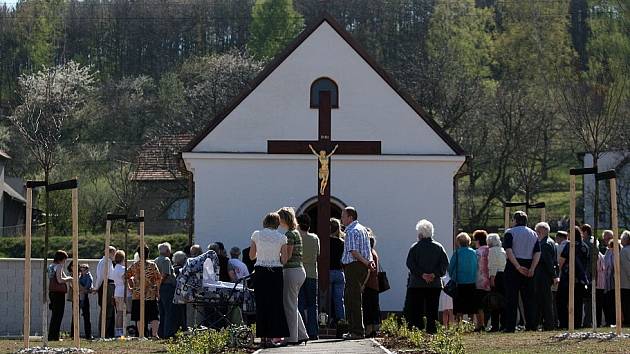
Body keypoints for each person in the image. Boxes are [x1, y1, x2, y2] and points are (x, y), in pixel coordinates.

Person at [249, 212, 290, 348]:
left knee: (261, 304)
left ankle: (263, 338)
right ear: (277, 223)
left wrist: (263, 252)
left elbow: (251, 256)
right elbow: (284, 260)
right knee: (275, 304)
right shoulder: (282, 238)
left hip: (260, 271)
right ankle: (274, 336)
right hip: (275, 272)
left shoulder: (256, 235)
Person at [403, 219, 448, 334]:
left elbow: (410, 264)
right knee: (432, 309)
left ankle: (418, 331)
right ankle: (432, 331)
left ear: (420, 234)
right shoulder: (439, 247)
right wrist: (434, 274)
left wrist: (422, 274)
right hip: (434, 285)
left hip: (417, 284)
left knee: (417, 310)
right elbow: (444, 264)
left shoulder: (415, 247)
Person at [340, 206, 375, 340]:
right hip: (362, 266)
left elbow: (354, 252)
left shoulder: (351, 231)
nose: (341, 219)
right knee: (354, 298)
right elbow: (367, 249)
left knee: (352, 299)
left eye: (343, 216)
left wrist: (366, 262)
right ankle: (356, 330)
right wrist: (369, 262)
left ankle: (356, 331)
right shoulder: (362, 229)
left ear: (350, 217)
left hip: (354, 266)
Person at [502, 211, 540, 332]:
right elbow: (537, 252)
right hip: (529, 264)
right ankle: (531, 325)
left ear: (515, 220)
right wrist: (532, 268)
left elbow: (508, 250)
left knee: (511, 298)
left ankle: (510, 326)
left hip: (514, 266)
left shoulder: (510, 232)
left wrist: (517, 267)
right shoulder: (533, 233)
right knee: (529, 298)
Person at [278, 207, 309, 345]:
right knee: (292, 304)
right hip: (299, 271)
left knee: (288, 305)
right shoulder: (296, 233)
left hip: (291, 271)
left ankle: (291, 337)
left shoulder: (289, 235)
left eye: (280, 219)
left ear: (285, 219)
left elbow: (287, 257)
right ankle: (302, 334)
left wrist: (276, 258)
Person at [557, 226, 589, 329]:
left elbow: (561, 261)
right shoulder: (585, 246)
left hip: (567, 278)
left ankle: (564, 323)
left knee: (562, 301)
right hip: (580, 279)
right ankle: (577, 323)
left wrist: (560, 272)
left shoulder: (569, 245)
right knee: (578, 303)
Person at [126, 245, 162, 338]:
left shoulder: (134, 265)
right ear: (148, 254)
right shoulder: (152, 265)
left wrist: (131, 286)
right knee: (154, 315)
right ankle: (154, 334)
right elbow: (158, 278)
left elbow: (126, 276)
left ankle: (141, 335)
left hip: (137, 294)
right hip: (150, 293)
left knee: (139, 316)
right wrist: (157, 291)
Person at [297, 214, 320, 340]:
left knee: (300, 302)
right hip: (312, 273)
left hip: (299, 272)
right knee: (312, 304)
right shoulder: (315, 238)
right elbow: (318, 253)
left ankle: (301, 331)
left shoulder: (296, 238)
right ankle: (313, 332)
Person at [534, 222, 559, 330]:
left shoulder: (544, 244)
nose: (536, 233)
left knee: (545, 301)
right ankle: (548, 323)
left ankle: (548, 324)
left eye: (537, 231)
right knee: (546, 300)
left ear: (542, 231)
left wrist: (553, 275)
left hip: (542, 275)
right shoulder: (551, 242)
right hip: (546, 275)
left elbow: (548, 261)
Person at [448, 232, 478, 322]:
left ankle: (459, 325)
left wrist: (452, 276)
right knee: (471, 306)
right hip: (472, 282)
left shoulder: (457, 253)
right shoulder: (474, 252)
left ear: (458, 242)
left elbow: (450, 268)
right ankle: (471, 324)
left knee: (459, 306)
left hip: (459, 283)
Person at [48, 250, 72, 341]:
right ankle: (54, 336)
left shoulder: (51, 266)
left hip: (52, 292)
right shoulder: (58, 266)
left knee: (54, 315)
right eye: (65, 259)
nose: (65, 262)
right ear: (61, 259)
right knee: (58, 315)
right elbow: (60, 280)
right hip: (58, 293)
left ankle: (52, 335)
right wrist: (69, 279)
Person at [155, 242, 176, 338]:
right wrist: (160, 284)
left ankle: (161, 333)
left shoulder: (156, 260)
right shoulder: (166, 260)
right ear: (168, 251)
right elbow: (165, 274)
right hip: (167, 287)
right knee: (169, 311)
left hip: (159, 288)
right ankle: (168, 333)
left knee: (162, 312)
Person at [94, 245, 116, 338]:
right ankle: (104, 332)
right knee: (107, 310)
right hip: (106, 285)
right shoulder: (106, 262)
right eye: (114, 253)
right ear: (110, 253)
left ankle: (108, 332)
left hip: (109, 285)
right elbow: (101, 277)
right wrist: (96, 287)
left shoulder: (106, 261)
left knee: (109, 310)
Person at [362, 231, 381, 337]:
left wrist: (363, 284)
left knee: (367, 307)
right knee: (374, 307)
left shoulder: (369, 253)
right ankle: (374, 329)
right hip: (375, 284)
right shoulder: (374, 253)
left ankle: (369, 330)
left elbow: (369, 270)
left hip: (369, 284)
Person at [487, 233, 506, 332]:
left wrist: (492, 278)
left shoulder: (492, 251)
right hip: (503, 275)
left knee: (494, 302)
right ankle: (503, 324)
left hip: (496, 276)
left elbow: (492, 265)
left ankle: (495, 325)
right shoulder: (502, 250)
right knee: (502, 301)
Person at [473, 230, 490, 332]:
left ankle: (480, 324)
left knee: (478, 304)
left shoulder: (477, 252)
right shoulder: (490, 250)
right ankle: (486, 323)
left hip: (479, 280)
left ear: (478, 240)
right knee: (487, 304)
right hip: (489, 280)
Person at [329, 218, 346, 325]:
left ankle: (329, 319)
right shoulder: (342, 242)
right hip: (340, 272)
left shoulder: (325, 242)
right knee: (339, 299)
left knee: (328, 298)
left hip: (329, 271)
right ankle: (341, 320)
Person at [580, 224, 595, 328]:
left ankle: (586, 321)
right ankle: (588, 321)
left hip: (587, 274)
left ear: (585, 232)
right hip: (591, 274)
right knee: (589, 300)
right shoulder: (594, 242)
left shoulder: (585, 244)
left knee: (586, 300)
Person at [172, 250, 188, 333]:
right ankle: (184, 329)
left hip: (174, 294)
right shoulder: (182, 269)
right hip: (181, 294)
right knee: (183, 314)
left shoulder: (173, 268)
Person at [111, 250, 126, 337]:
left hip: (117, 291)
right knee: (122, 313)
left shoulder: (114, 268)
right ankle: (120, 331)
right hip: (122, 292)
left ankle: (118, 331)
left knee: (119, 313)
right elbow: (125, 281)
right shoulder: (122, 269)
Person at [78, 264, 94, 339]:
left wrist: (81, 288)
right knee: (77, 315)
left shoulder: (88, 277)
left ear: (87, 270)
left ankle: (88, 335)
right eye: (81, 269)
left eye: (83, 269)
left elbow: (86, 288)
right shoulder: (81, 276)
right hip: (80, 296)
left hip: (84, 297)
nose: (82, 271)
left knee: (86, 316)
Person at [620, 230, 630, 326]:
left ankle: (627, 321)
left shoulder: (624, 251)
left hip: (625, 283)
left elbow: (627, 267)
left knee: (626, 303)